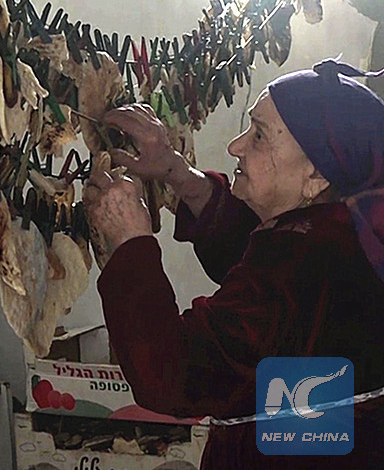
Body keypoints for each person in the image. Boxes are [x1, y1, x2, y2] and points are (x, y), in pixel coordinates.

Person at [83, 59, 384, 469]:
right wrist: (178, 174)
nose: (235, 146)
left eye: (259, 135)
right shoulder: (345, 232)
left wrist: (130, 242)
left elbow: (172, 375)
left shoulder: (305, 262)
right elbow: (258, 263)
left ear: (316, 175)